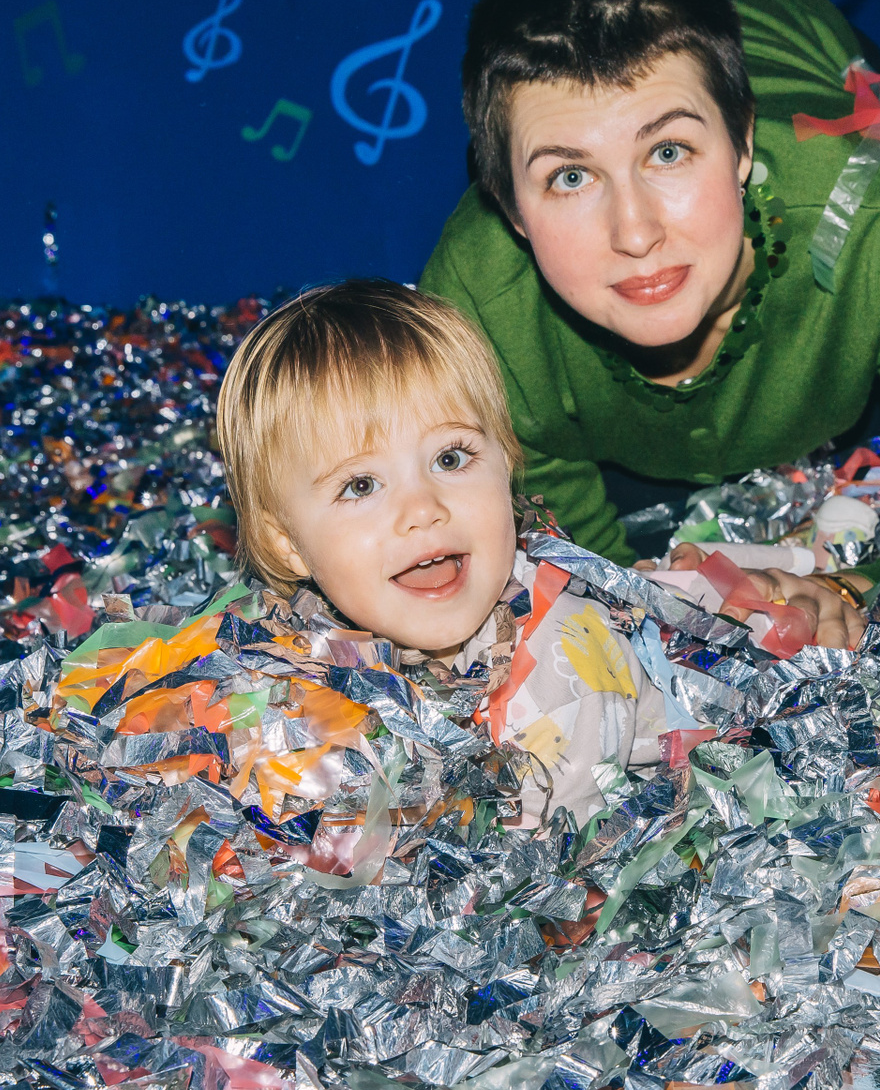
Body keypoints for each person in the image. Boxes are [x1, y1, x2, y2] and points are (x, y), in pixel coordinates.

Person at [420, 0, 880, 645]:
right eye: (570, 176)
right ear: (508, 207)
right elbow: (583, 580)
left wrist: (841, 591)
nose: (635, 232)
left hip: (802, 43)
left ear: (743, 143)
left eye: (669, 151)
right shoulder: (477, 308)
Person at [214, 280, 668, 826]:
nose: (423, 509)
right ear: (287, 543)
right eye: (361, 485)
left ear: (507, 464)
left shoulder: (567, 667)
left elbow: (547, 860)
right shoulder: (292, 657)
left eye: (450, 459)